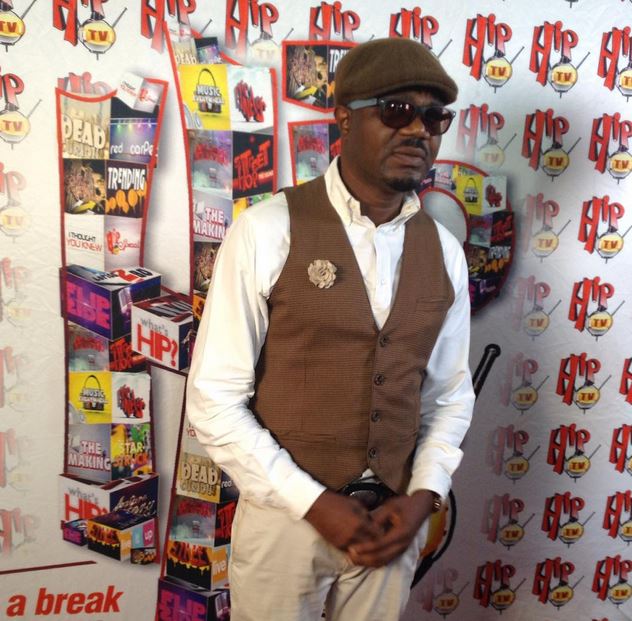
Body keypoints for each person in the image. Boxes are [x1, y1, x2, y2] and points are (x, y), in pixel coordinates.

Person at [186, 37, 475, 621]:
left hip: (393, 521)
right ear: (344, 117)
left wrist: (424, 495)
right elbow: (214, 399)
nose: (417, 130)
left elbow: (448, 395)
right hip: (285, 522)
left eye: (434, 117)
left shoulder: (445, 252)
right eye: (396, 110)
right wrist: (313, 501)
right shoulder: (267, 230)